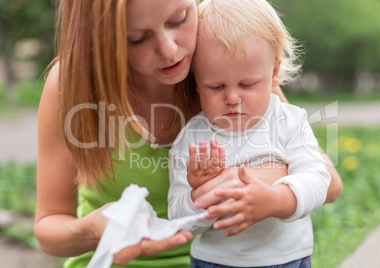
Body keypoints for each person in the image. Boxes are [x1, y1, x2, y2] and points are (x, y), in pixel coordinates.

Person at [34, 0, 342, 267]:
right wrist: (98, 228)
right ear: (102, 40)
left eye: (179, 19)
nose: (170, 51)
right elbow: (49, 228)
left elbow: (328, 182)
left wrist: (238, 183)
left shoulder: (226, 59)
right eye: (138, 38)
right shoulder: (72, 84)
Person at [168, 0, 333, 267]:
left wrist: (277, 200)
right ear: (196, 84)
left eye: (247, 84)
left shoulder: (289, 121)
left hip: (285, 258)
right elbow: (178, 217)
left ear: (274, 73)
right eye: (216, 86)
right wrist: (199, 194)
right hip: (215, 260)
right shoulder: (192, 139)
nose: (232, 97)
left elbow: (317, 179)